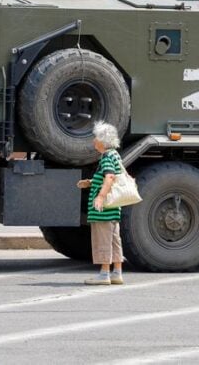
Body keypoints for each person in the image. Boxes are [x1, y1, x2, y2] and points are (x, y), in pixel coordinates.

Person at [77, 122, 124, 285]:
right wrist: (90, 182)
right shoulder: (115, 155)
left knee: (103, 240)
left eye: (96, 138)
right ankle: (117, 272)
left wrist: (100, 197)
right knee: (114, 240)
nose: (94, 141)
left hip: (103, 210)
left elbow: (109, 177)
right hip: (113, 208)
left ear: (103, 140)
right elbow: (111, 176)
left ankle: (104, 274)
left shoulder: (106, 157)